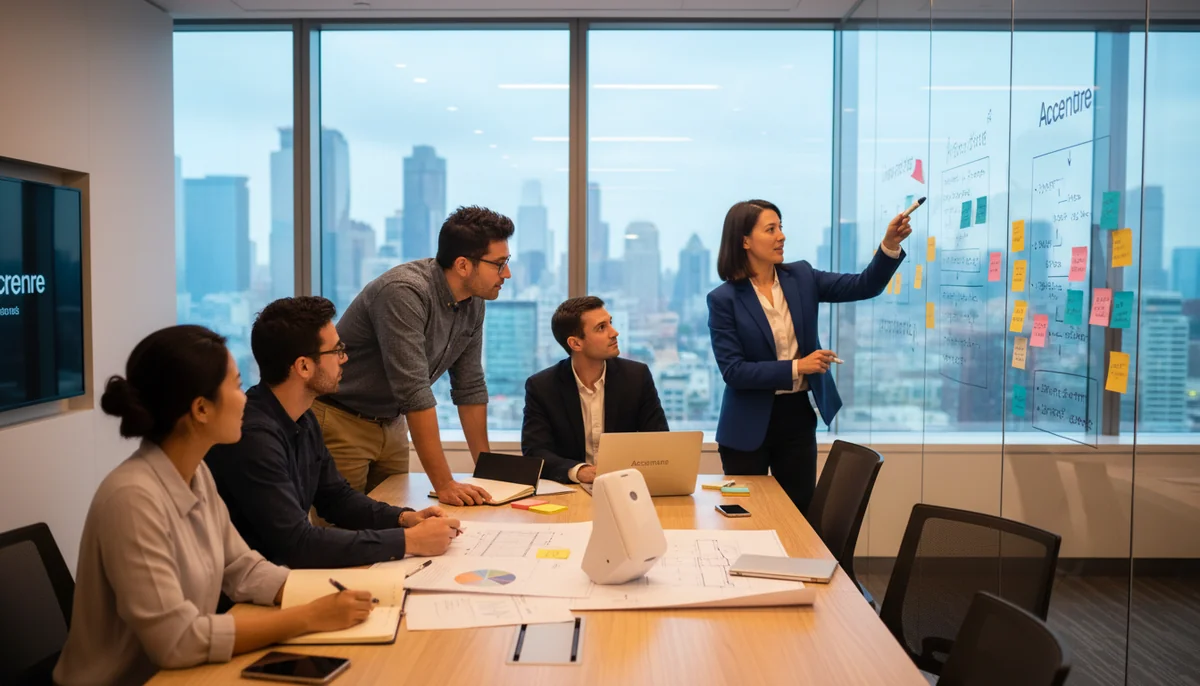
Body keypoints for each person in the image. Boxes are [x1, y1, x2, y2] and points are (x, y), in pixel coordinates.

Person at [54, 325, 375, 686]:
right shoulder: (132, 499)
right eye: (237, 386)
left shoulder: (197, 474)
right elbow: (176, 640)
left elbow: (243, 569)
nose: (245, 399)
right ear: (201, 409)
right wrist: (308, 617)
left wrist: (339, 592)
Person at [205, 296, 461, 570]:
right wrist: (408, 541)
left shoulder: (302, 418)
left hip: (284, 577)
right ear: (303, 366)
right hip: (254, 591)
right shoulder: (254, 438)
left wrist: (405, 519)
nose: (345, 358)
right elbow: (297, 545)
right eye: (336, 351)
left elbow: (336, 498)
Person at [707, 199, 910, 515]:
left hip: (796, 417)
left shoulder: (801, 277)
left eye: (781, 227)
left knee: (800, 514)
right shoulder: (723, 300)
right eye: (770, 229)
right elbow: (734, 372)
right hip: (745, 425)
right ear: (745, 240)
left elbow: (863, 285)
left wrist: (889, 245)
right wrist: (797, 366)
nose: (781, 236)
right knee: (746, 516)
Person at [315, 206, 514, 506]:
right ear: (463, 265)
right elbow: (414, 391)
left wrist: (491, 474)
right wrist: (445, 484)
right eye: (499, 264)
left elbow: (469, 386)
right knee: (343, 532)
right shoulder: (404, 292)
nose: (507, 274)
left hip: (392, 424)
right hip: (343, 420)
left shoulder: (473, 302)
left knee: (393, 525)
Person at [523, 296, 669, 484]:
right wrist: (579, 471)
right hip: (570, 492)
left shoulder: (637, 377)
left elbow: (659, 440)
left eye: (610, 323)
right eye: (602, 328)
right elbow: (535, 452)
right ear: (575, 343)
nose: (614, 332)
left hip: (625, 486)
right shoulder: (542, 386)